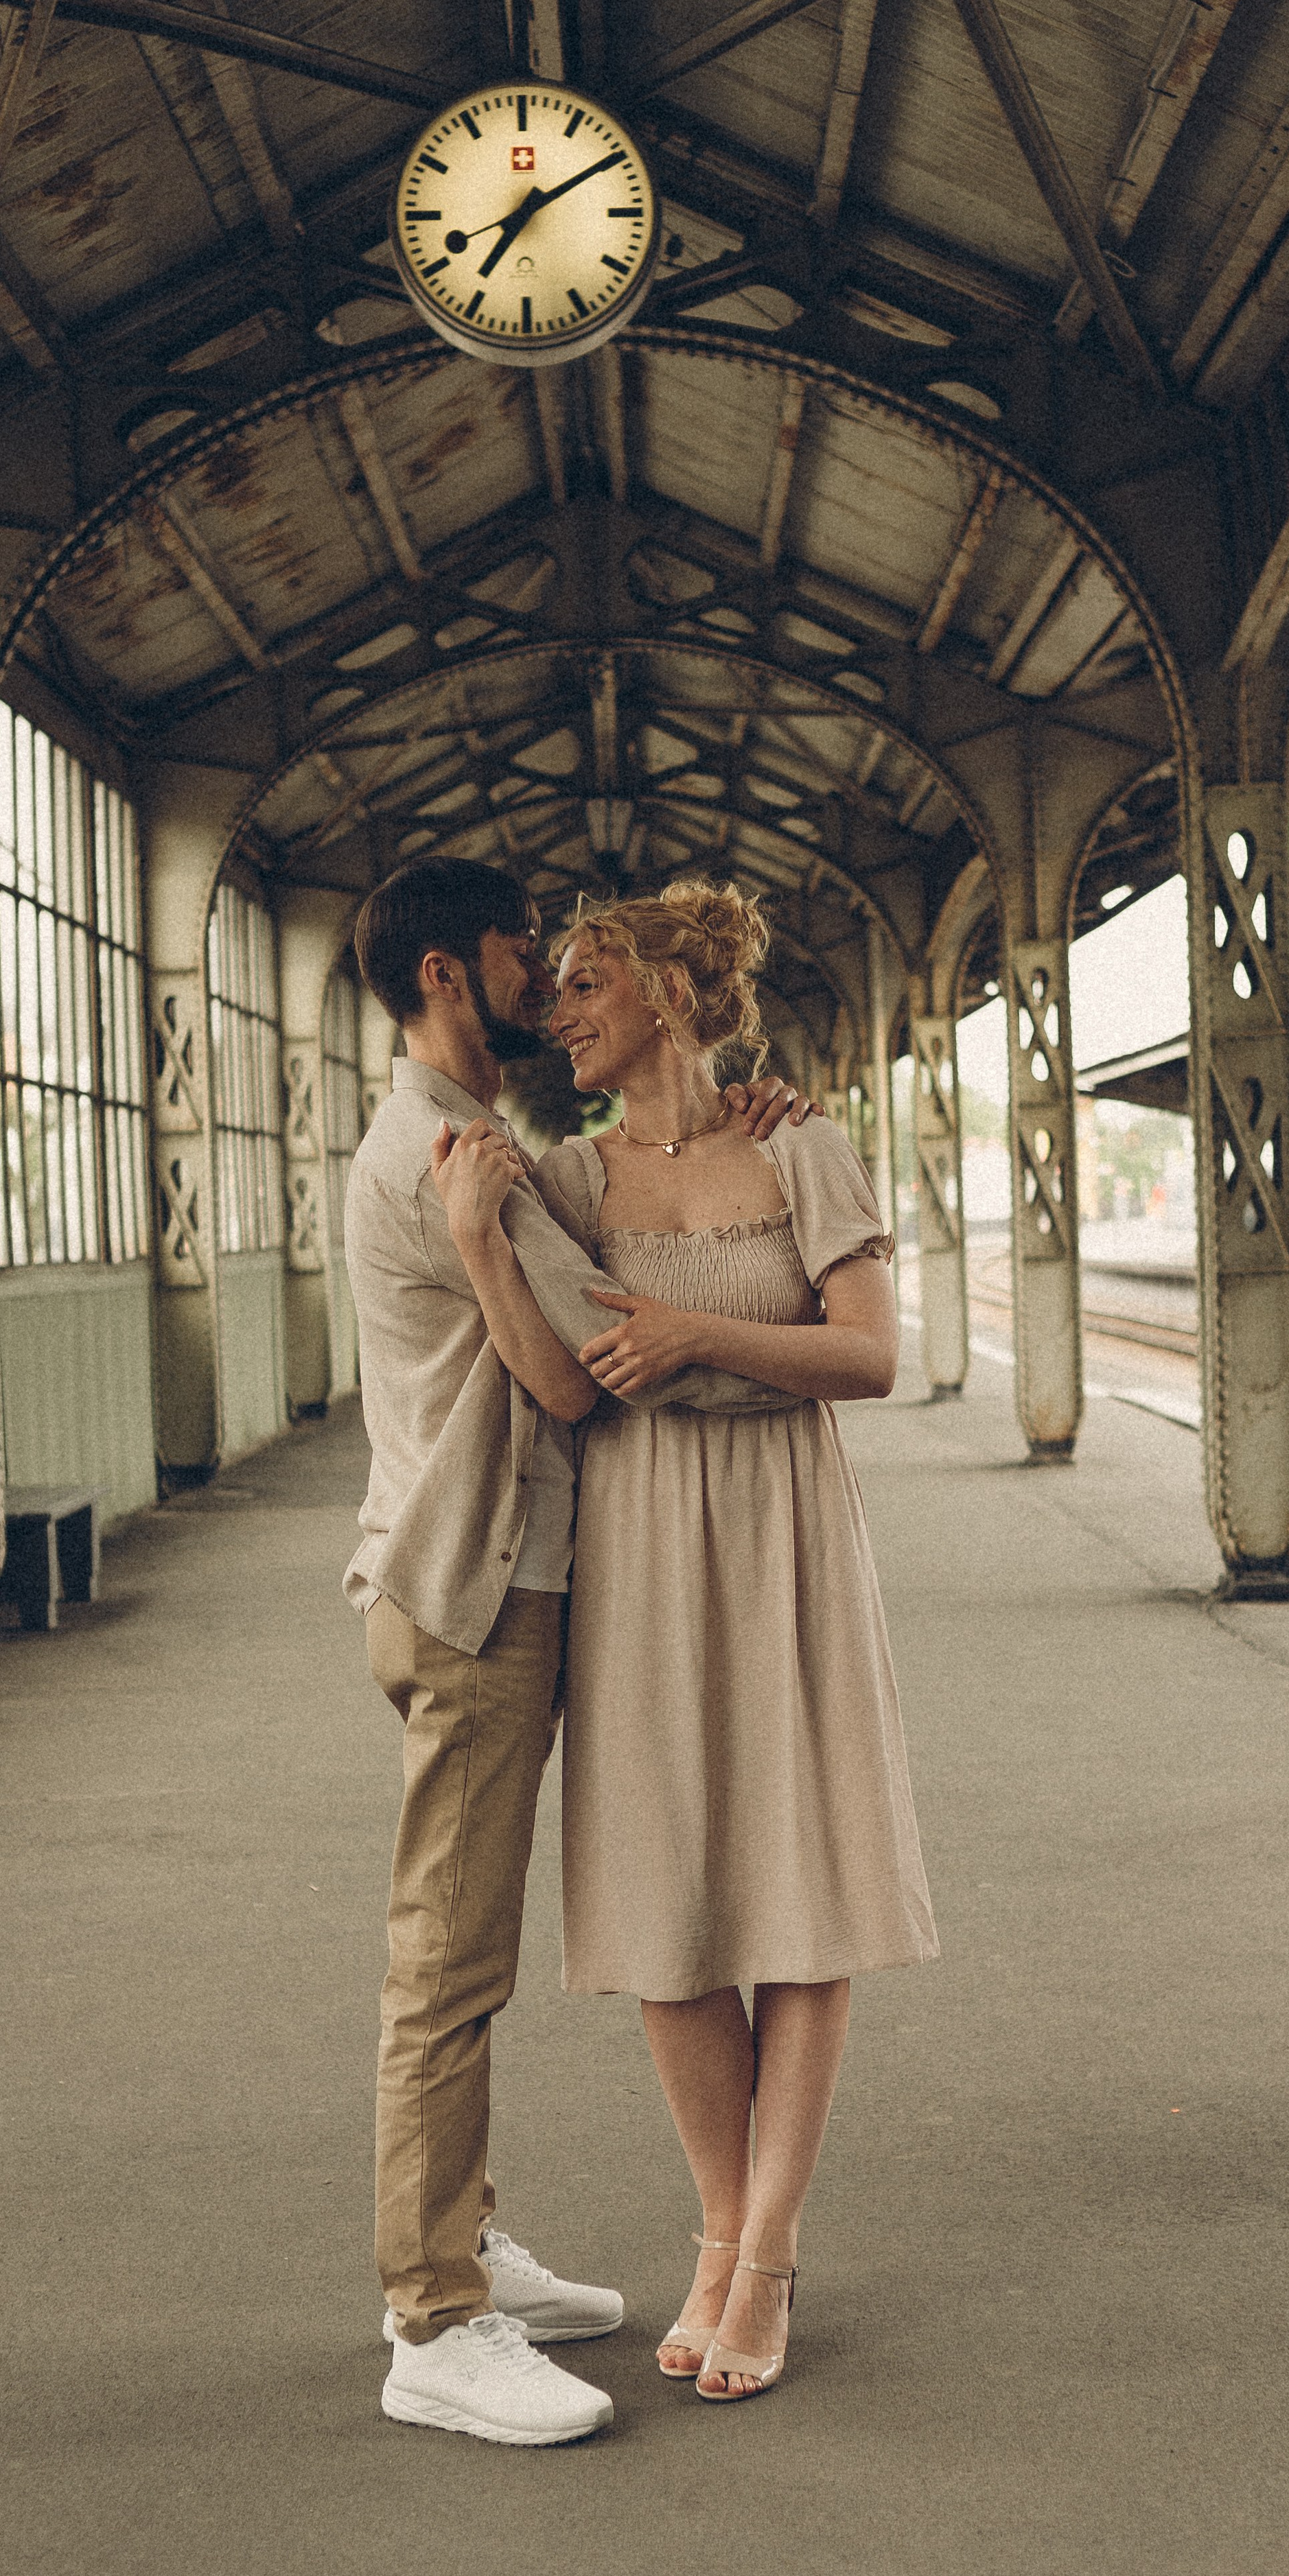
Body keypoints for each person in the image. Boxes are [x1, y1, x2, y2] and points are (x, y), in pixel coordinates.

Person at [342, 856, 809, 2448]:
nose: (539, 977)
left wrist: (718, 1132)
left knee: (466, 1956)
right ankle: (433, 2318)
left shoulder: (486, 1147)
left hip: (497, 1581)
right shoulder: (442, 1162)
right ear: (444, 977)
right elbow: (590, 1361)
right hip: (470, 1594)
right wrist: (746, 1242)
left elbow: (612, 1202)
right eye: (512, 952)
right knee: (447, 1968)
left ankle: (462, 2246)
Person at [456, 877, 939, 2406]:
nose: (558, 1010)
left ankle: (767, 2255)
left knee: (801, 1893)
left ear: (666, 990)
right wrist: (480, 1242)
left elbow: (865, 1357)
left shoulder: (800, 1142)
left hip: (790, 1541)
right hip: (645, 1547)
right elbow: (565, 1387)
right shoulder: (564, 1178)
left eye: (584, 984)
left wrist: (698, 1336)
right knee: (667, 1906)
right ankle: (720, 2232)